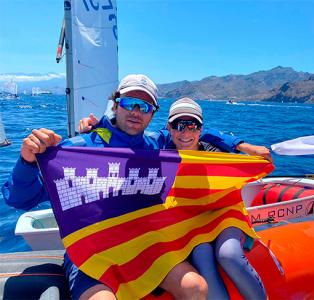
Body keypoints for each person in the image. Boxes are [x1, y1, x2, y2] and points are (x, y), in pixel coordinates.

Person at [2, 74, 271, 300]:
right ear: (115, 104)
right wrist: (27, 160)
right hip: (93, 253)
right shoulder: (81, 150)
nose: (135, 111)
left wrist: (242, 146)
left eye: (144, 107)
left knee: (196, 287)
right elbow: (19, 199)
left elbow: (196, 131)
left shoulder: (155, 145)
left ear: (153, 114)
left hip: (144, 246)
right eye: (129, 102)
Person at [165, 97, 267, 299]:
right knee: (201, 253)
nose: (185, 132)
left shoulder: (216, 154)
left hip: (224, 214)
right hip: (190, 222)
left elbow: (239, 164)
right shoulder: (163, 154)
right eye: (179, 125)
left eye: (192, 126)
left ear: (200, 129)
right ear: (169, 128)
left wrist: (248, 149)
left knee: (228, 255)